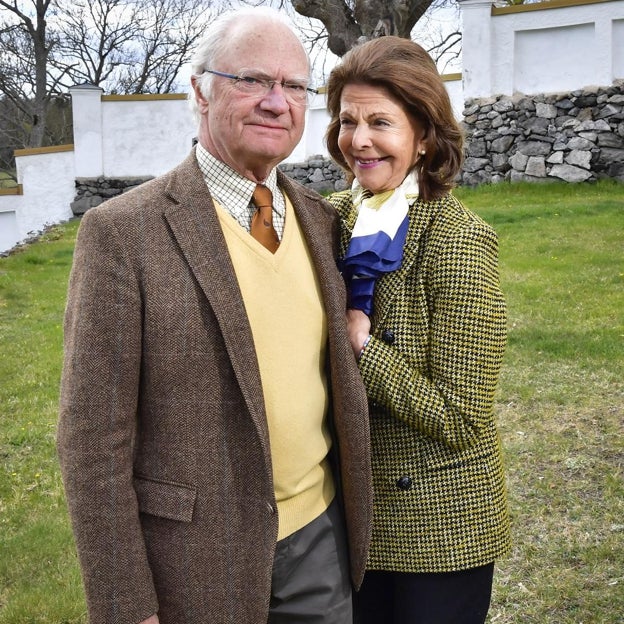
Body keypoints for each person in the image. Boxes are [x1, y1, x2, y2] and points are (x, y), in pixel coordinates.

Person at [57, 7, 372, 624]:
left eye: (294, 87)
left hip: (319, 543)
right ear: (199, 91)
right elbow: (92, 442)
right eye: (252, 80)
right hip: (194, 564)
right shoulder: (122, 234)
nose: (276, 102)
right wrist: (127, 607)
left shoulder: (321, 221)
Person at [324, 36, 511, 624]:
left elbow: (462, 417)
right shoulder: (332, 217)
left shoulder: (458, 240)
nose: (359, 140)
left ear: (425, 135)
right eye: (347, 121)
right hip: (350, 516)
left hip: (439, 528)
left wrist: (362, 346)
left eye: (381, 121)